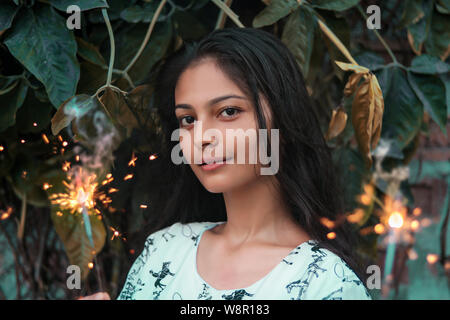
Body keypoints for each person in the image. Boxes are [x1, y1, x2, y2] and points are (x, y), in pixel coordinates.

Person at [80, 27, 371, 300]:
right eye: (188, 119)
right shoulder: (165, 250)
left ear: (284, 119)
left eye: (229, 111)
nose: (201, 138)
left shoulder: (327, 282)